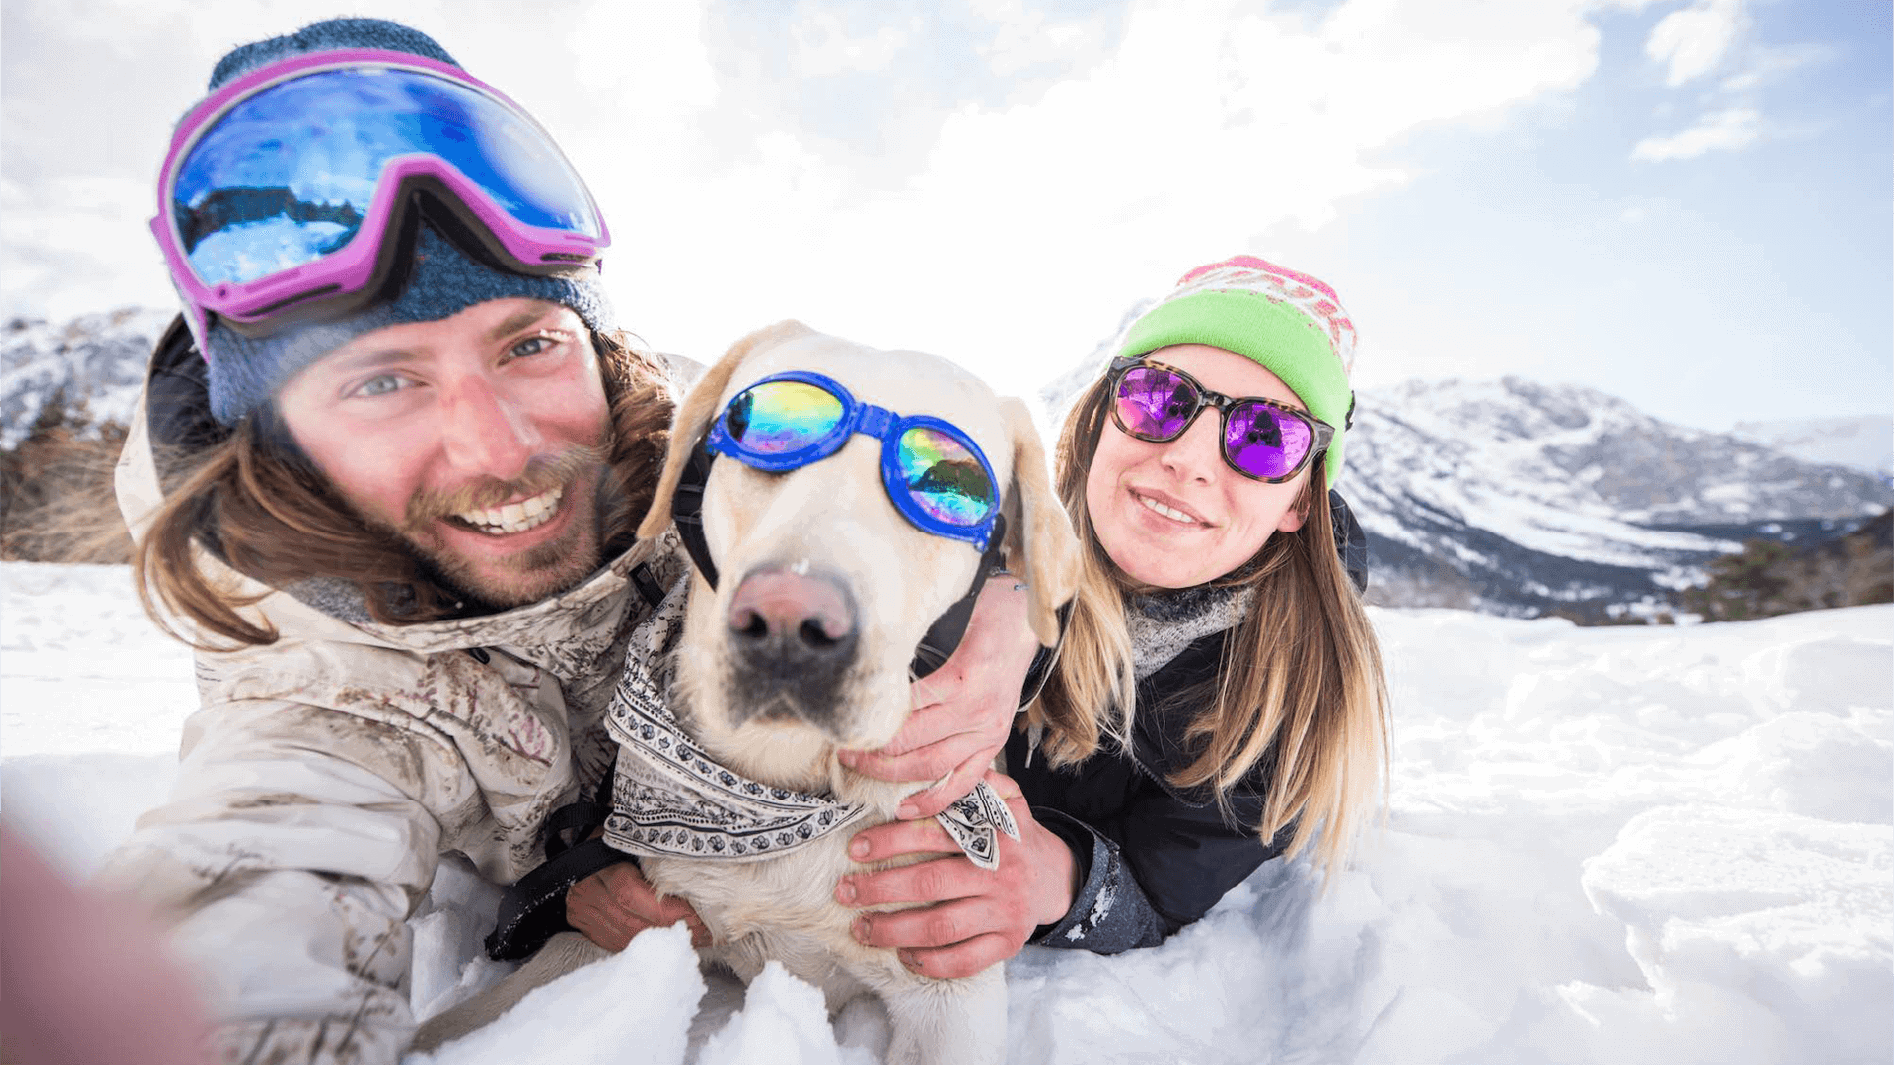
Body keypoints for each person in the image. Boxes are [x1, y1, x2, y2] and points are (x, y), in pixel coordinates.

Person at [102, 18, 1034, 1062]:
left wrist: (1007, 594)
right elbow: (247, 901)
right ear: (274, 438)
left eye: (530, 342)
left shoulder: (709, 450)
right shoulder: (321, 710)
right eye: (381, 381)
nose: (501, 447)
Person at [835, 255, 1391, 971]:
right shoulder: (960, 521)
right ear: (1101, 418)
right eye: (1159, 399)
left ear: (1299, 503)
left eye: (1264, 438)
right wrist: (1012, 587)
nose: (1187, 460)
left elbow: (1162, 885)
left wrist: (1054, 879)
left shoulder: (1288, 686)